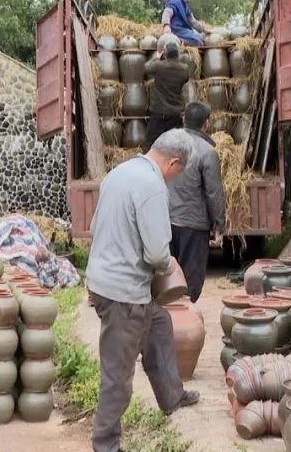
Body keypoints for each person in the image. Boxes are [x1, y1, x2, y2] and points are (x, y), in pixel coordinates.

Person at [86, 129, 201, 452]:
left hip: (107, 281)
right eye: (180, 172)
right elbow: (155, 253)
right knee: (118, 373)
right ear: (174, 162)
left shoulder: (120, 173)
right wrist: (169, 266)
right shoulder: (152, 187)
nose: (176, 179)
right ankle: (106, 444)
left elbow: (95, 228)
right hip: (122, 293)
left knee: (160, 325)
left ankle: (172, 395)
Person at [167, 101, 227, 303]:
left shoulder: (169, 144)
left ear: (185, 119)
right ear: (207, 123)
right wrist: (219, 225)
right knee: (190, 282)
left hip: (165, 222)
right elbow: (214, 193)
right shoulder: (207, 152)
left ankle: (169, 322)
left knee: (166, 280)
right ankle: (184, 322)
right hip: (193, 227)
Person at [144, 40, 194, 147]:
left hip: (160, 112)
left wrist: (157, 57)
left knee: (150, 141)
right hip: (176, 113)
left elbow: (146, 68)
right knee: (176, 144)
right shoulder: (184, 69)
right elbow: (185, 79)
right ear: (178, 54)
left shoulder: (159, 66)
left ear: (165, 53)